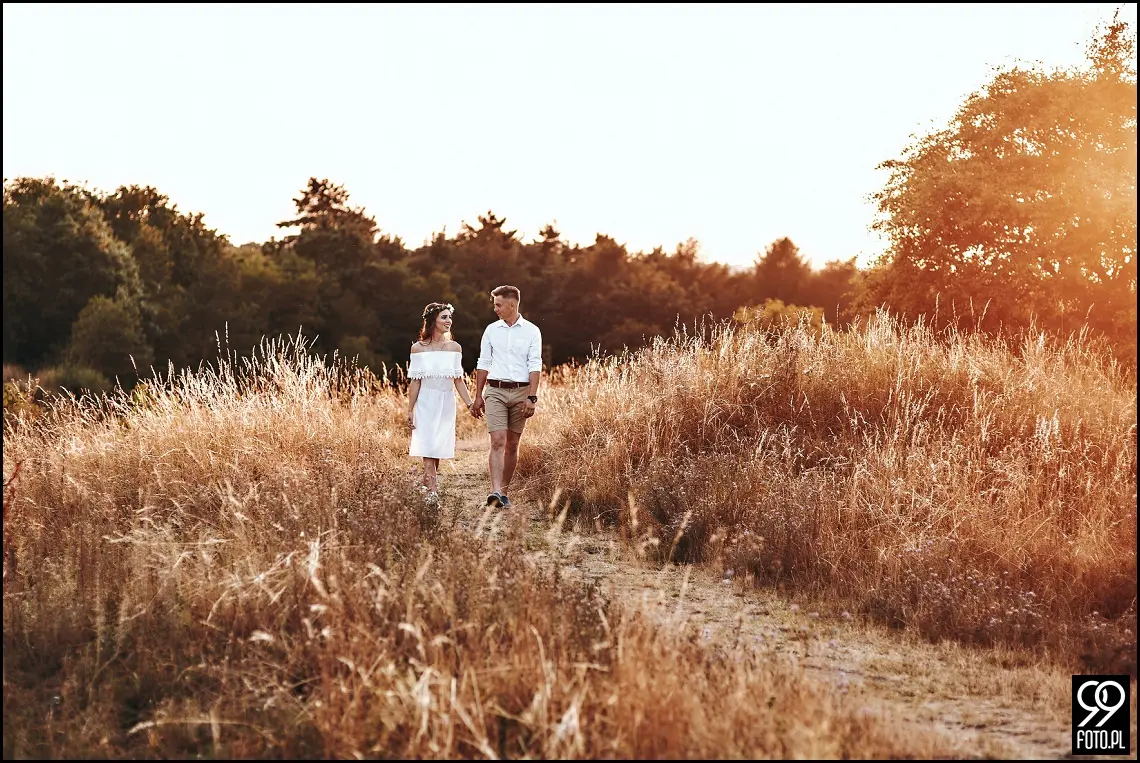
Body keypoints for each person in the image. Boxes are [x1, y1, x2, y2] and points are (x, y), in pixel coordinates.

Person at [469, 285, 542, 509]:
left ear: (512, 304)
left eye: (498, 305)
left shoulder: (532, 331)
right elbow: (483, 363)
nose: (495, 309)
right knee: (498, 441)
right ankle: (495, 491)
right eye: (495, 305)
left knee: (512, 445)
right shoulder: (491, 330)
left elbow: (535, 365)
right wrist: (478, 395)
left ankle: (505, 492)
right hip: (496, 391)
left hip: (521, 392)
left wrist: (532, 397)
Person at [406, 302, 475, 503]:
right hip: (426, 400)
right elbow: (415, 381)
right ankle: (432, 493)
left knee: (436, 447)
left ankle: (427, 484)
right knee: (428, 445)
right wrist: (410, 409)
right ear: (433, 320)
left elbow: (458, 379)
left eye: (449, 317)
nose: (448, 321)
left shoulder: (455, 348)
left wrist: (470, 404)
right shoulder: (418, 348)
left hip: (446, 401)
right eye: (444, 317)